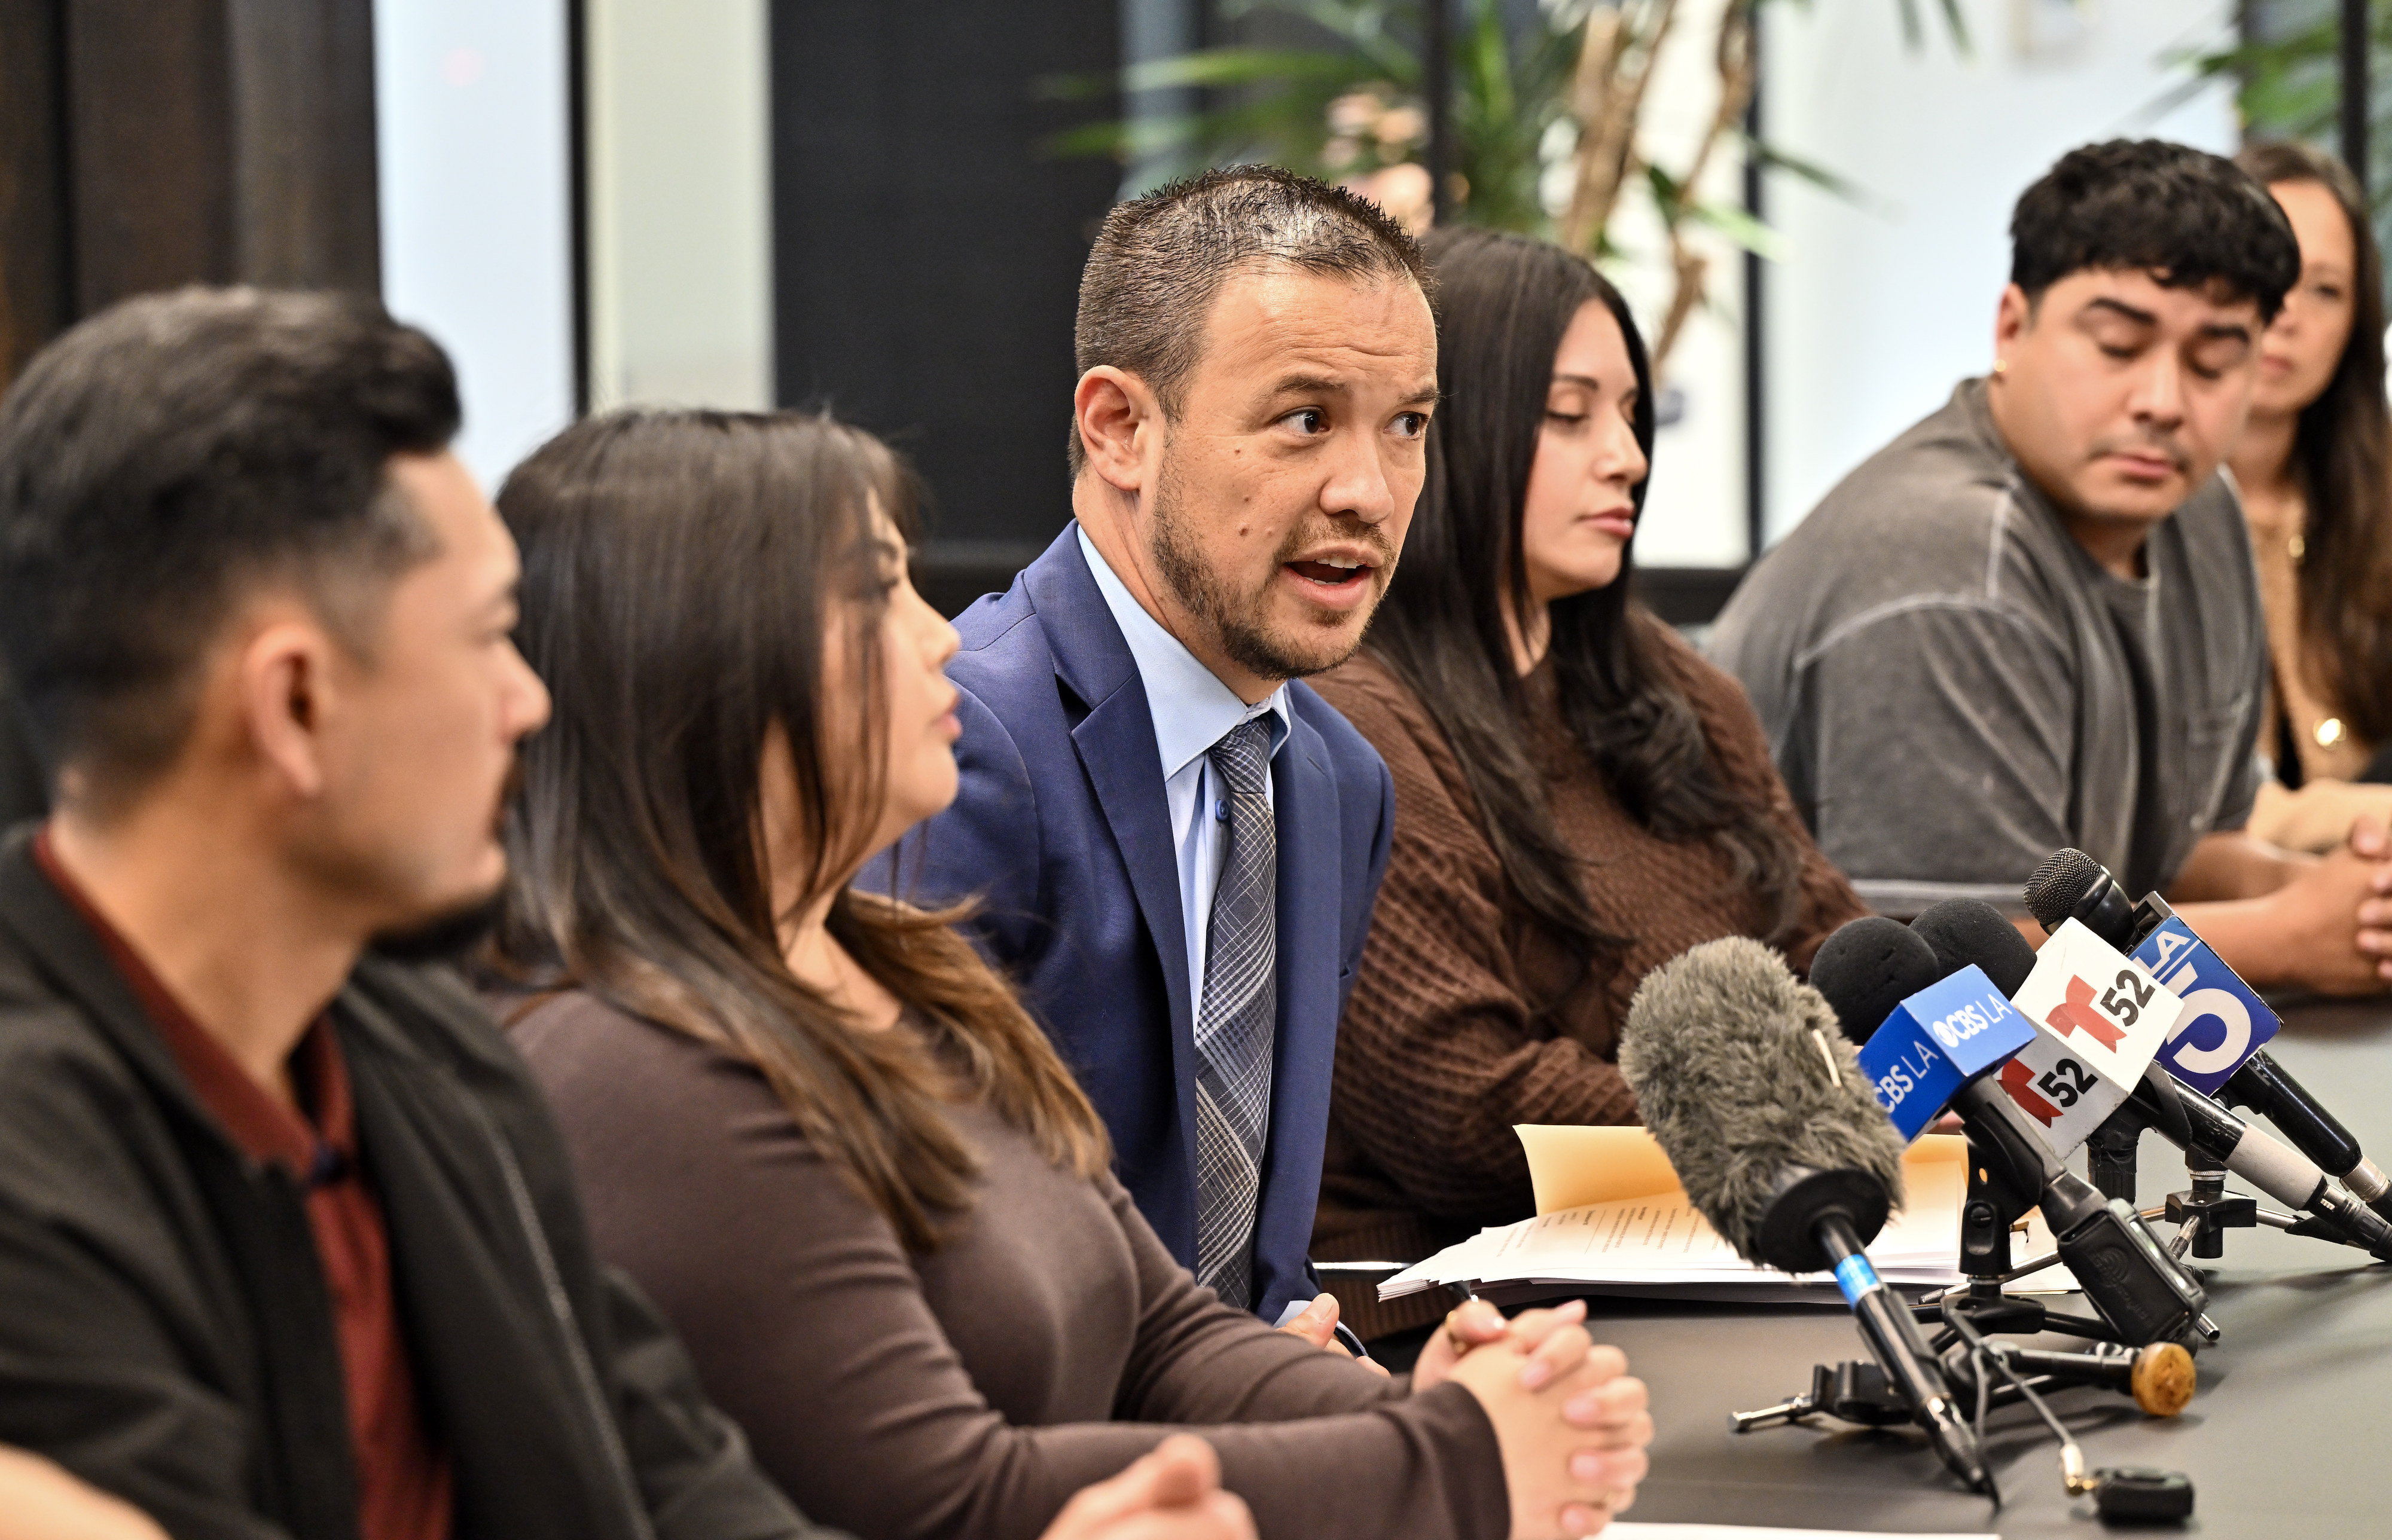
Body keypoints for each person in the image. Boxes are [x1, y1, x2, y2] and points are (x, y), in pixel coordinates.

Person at [0, 288, 1257, 1540]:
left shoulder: (435, 1067)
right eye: (490, 639)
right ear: (296, 708)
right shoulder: (36, 1164)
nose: (528, 703)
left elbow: (685, 1490)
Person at [487, 408, 1655, 1540]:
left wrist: (1413, 1412)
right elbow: (948, 1495)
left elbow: (1160, 1333)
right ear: (704, 658)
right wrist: (1447, 1460)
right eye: (872, 593)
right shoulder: (635, 1059)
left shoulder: (903, 964)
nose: (938, 631)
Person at [869, 166, 1432, 1331]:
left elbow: (1257, 1268)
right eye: (1302, 420)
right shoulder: (956, 743)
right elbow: (913, 1265)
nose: (1369, 491)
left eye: (1408, 426)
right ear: (1119, 428)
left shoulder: (1337, 778)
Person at [1305, 228, 1870, 1350]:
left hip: (1738, 1261)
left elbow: (1831, 947)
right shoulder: (1353, 726)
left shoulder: (1669, 682)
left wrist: (1882, 1091)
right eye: (1570, 417)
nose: (1626, 458)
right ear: (1440, 434)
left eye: (1629, 416)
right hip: (1467, 1331)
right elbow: (1466, 1116)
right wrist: (1807, 1125)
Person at [1710, 138, 2392, 993]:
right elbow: (1957, 971)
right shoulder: (1953, 563)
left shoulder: (2200, 510)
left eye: (2214, 361)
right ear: (2010, 327)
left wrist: (2343, 902)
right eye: (2116, 346)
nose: (2162, 403)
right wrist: (2287, 938)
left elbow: (2184, 856)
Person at [2226, 141, 2392, 851]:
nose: (2287, 313)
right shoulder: (2132, 515)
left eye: (2325, 289)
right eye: (2267, 276)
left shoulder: (2375, 500)